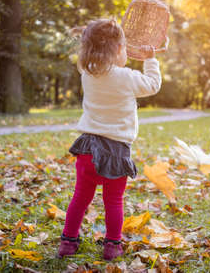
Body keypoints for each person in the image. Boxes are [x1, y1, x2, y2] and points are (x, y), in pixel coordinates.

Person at [57, 18, 162, 261]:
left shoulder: (87, 71)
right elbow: (153, 84)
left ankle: (67, 242)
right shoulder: (126, 77)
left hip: (87, 150)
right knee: (113, 201)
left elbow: (99, 54)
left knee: (80, 198)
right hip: (116, 152)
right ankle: (112, 246)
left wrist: (94, 37)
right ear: (117, 50)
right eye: (124, 47)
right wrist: (150, 59)